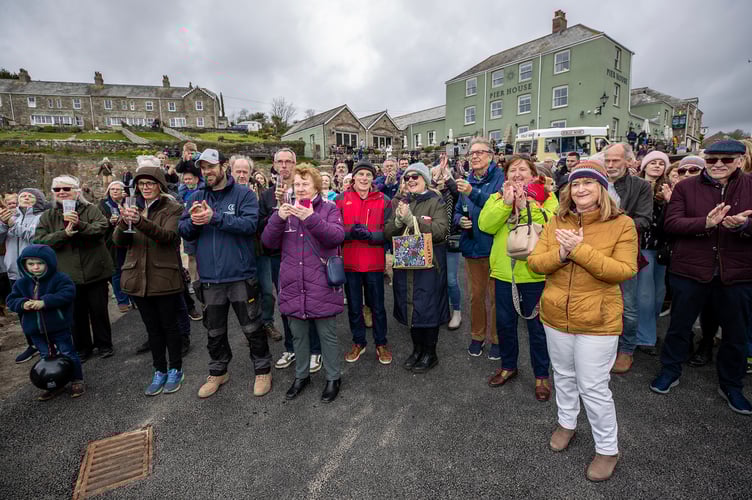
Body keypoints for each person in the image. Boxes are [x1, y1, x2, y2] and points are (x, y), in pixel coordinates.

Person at [528, 161, 638, 482]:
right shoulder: (557, 220)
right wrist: (561, 255)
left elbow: (622, 271)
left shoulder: (622, 224)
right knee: (562, 374)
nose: (580, 189)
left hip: (598, 318)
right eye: (575, 184)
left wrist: (579, 250)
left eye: (589, 183)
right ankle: (567, 422)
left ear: (602, 188)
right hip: (555, 314)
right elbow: (536, 263)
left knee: (592, 385)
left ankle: (607, 448)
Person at [650, 140, 752, 415]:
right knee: (679, 327)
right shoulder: (686, 187)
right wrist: (705, 223)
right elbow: (671, 224)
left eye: (726, 160)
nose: (718, 164)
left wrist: (745, 225)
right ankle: (670, 371)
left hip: (737, 273)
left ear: (740, 161)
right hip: (690, 272)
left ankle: (731, 384)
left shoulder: (750, 185)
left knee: (736, 334)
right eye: (712, 159)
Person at [178, 148, 273, 398]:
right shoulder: (196, 195)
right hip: (210, 278)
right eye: (203, 168)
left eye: (211, 166)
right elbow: (184, 229)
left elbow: (250, 225)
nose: (207, 171)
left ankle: (262, 369)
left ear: (223, 167)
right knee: (214, 330)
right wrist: (194, 222)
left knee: (252, 326)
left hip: (240, 274)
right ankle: (218, 371)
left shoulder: (244, 194)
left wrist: (215, 218)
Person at [261, 165, 345, 402]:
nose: (300, 188)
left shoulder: (329, 208)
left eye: (305, 184)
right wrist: (278, 217)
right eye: (297, 184)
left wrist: (311, 218)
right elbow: (267, 242)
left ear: (316, 186)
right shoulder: (285, 211)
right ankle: (301, 376)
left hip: (321, 282)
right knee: (298, 335)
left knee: (326, 334)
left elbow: (336, 237)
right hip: (292, 282)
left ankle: (332, 378)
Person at [478, 156, 558, 400]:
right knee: (505, 325)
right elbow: (485, 225)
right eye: (513, 170)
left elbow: (552, 224)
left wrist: (527, 206)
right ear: (506, 176)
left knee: (537, 329)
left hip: (535, 274)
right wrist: (506, 204)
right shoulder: (496, 198)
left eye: (523, 169)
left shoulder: (548, 198)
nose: (518, 173)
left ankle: (542, 376)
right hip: (504, 274)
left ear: (534, 175)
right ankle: (508, 366)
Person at [114, 166, 186, 395]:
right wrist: (123, 223)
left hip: (163, 276)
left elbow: (169, 238)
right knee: (152, 329)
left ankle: (175, 368)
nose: (145, 188)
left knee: (169, 326)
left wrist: (141, 221)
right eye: (141, 184)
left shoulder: (173, 207)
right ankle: (159, 370)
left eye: (150, 183)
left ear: (160, 185)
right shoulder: (132, 206)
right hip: (137, 277)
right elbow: (118, 242)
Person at [34, 175, 114, 361]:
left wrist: (80, 224)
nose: (61, 192)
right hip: (67, 273)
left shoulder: (91, 209)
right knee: (75, 315)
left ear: (77, 192)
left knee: (98, 310)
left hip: (95, 270)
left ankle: (104, 344)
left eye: (66, 189)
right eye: (57, 189)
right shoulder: (48, 215)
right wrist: (64, 234)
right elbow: (39, 240)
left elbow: (101, 228)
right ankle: (82, 347)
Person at [258, 149, 323, 372]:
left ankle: (315, 349)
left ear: (295, 165)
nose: (284, 166)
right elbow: (261, 227)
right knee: (287, 304)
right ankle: (291, 347)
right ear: (274, 165)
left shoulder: (304, 191)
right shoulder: (267, 195)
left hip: (306, 257)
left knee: (311, 302)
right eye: (280, 162)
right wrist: (278, 214)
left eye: (288, 162)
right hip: (279, 258)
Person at [385, 162, 449, 373]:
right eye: (407, 178)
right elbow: (387, 232)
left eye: (415, 177)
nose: (410, 180)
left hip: (430, 266)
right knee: (411, 307)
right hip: (406, 266)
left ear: (425, 180)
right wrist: (398, 222)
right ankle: (417, 349)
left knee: (427, 308)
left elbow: (440, 230)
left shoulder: (435, 201)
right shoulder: (401, 202)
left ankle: (430, 353)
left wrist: (413, 220)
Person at [7, 245, 85, 400]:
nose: (35, 267)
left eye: (40, 263)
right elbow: (11, 300)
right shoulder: (21, 283)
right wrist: (23, 304)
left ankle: (77, 379)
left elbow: (68, 293)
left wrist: (45, 302)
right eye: (30, 264)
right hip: (34, 329)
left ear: (49, 263)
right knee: (45, 356)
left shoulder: (60, 279)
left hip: (58, 326)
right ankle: (54, 383)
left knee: (67, 352)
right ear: (24, 265)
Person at [336, 159, 393, 365]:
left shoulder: (384, 200)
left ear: (373, 178)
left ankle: (381, 343)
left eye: (368, 175)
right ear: (354, 177)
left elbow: (389, 231)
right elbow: (334, 230)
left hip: (374, 263)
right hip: (350, 262)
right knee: (353, 306)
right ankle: (359, 342)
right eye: (361, 174)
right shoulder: (341, 199)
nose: (364, 178)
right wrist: (349, 232)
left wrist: (372, 236)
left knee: (377, 306)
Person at [603, 143, 653, 374]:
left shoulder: (641, 186)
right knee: (599, 301)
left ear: (628, 162)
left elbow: (644, 220)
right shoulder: (595, 181)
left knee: (628, 305)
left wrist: (613, 225)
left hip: (625, 253)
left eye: (616, 160)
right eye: (608, 160)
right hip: (594, 252)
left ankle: (626, 349)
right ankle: (603, 346)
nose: (611, 165)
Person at [453, 138, 505, 359]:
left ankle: (496, 339)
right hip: (471, 247)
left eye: (479, 153)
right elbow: (457, 210)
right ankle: (477, 336)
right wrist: (459, 221)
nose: (474, 156)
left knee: (495, 298)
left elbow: (499, 206)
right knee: (475, 297)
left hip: (493, 247)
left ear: (491, 155)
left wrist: (473, 191)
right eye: (471, 153)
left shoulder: (500, 179)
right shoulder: (467, 180)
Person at [230, 155, 282, 343]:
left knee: (267, 290)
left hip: (261, 250)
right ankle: (252, 326)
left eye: (246, 171)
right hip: (236, 252)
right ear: (231, 171)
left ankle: (267, 321)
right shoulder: (226, 194)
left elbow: (266, 220)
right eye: (239, 171)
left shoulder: (263, 193)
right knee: (244, 294)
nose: (242, 175)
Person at [0, 188, 48, 362]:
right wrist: (4, 224)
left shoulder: (43, 217)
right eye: (23, 195)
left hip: (36, 272)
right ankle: (33, 344)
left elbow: (35, 236)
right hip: (14, 272)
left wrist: (13, 224)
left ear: (39, 200)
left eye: (30, 196)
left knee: (41, 309)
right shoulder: (12, 216)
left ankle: (49, 343)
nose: (26, 197)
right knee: (22, 311)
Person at [635, 151, 671, 355]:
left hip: (662, 247)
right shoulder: (637, 186)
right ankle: (645, 338)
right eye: (653, 163)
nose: (657, 166)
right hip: (643, 246)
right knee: (645, 294)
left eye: (661, 163)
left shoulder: (668, 189)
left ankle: (648, 329)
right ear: (645, 166)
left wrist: (669, 201)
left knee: (659, 294)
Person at [432, 154, 462, 329]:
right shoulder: (432, 192)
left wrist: (448, 177)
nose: (440, 175)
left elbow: (459, 193)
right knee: (436, 279)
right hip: (434, 241)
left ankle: (457, 311)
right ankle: (441, 310)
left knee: (451, 279)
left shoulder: (453, 192)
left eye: (443, 172)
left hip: (450, 240)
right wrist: (434, 180)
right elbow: (426, 193)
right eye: (437, 172)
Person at [98, 181, 131, 313]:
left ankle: (133, 297)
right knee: (117, 271)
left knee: (129, 269)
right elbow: (98, 222)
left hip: (129, 240)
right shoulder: (103, 205)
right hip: (112, 241)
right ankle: (122, 300)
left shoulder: (128, 202)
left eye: (118, 189)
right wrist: (108, 221)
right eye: (112, 189)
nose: (115, 191)